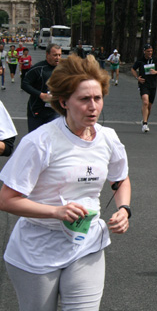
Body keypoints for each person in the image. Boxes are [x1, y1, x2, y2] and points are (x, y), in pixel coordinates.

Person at [0, 54, 132, 310]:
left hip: (87, 241)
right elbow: (6, 199)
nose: (93, 106)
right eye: (84, 99)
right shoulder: (40, 142)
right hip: (38, 247)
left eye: (98, 98)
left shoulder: (108, 138)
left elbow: (120, 179)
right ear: (64, 102)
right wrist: (56, 212)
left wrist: (124, 209)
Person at [21, 44, 62, 133]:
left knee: (52, 140)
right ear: (47, 55)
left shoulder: (63, 70)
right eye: (55, 55)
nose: (58, 58)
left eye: (59, 55)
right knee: (35, 141)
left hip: (54, 111)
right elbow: (24, 84)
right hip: (37, 111)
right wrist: (40, 94)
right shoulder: (38, 68)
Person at [131, 44, 157, 133]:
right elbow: (133, 69)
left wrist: (156, 72)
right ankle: (145, 124)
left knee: (149, 106)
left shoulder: (155, 60)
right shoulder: (140, 60)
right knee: (145, 102)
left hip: (153, 85)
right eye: (148, 51)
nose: (150, 53)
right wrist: (137, 78)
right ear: (144, 51)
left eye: (151, 51)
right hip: (143, 84)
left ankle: (144, 120)